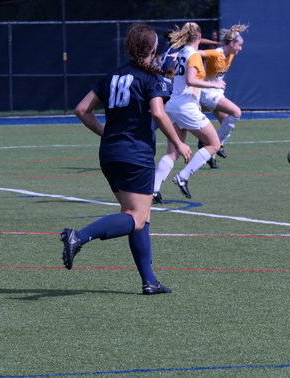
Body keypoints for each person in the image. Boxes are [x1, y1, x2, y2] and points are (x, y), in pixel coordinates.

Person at [60, 23, 192, 295]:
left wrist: (105, 132)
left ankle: (149, 281)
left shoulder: (113, 75)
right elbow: (158, 113)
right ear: (154, 48)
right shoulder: (151, 78)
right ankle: (79, 236)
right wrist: (179, 143)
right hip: (135, 154)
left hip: (110, 154)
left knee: (141, 215)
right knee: (135, 216)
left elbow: (82, 109)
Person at [152, 22, 225, 203]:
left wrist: (196, 100)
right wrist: (214, 84)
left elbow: (182, 81)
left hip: (174, 105)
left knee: (173, 152)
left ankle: (153, 190)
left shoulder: (183, 52)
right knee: (214, 144)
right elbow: (191, 80)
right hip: (185, 108)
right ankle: (183, 176)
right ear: (199, 36)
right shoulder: (193, 55)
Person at [197, 24, 248, 168]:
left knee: (228, 124)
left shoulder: (230, 54)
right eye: (239, 45)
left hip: (217, 91)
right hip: (207, 92)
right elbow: (195, 53)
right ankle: (216, 146)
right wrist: (178, 54)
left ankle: (210, 154)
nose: (241, 48)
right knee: (236, 112)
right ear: (231, 44)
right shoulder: (216, 54)